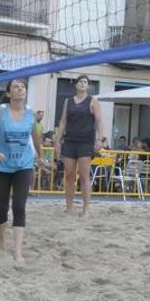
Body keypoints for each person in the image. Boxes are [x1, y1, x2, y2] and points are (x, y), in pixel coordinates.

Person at [0, 78, 44, 262]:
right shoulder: (0, 111)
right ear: (9, 93)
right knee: (2, 208)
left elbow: (35, 138)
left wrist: (41, 158)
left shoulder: (31, 114)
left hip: (24, 165)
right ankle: (2, 239)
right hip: (2, 166)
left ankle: (18, 251)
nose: (20, 89)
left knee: (19, 206)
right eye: (16, 87)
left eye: (23, 87)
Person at [55, 75, 104, 216]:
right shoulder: (68, 101)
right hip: (70, 141)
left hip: (85, 142)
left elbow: (99, 121)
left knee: (83, 175)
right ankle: (69, 207)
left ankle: (86, 209)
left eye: (86, 82)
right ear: (76, 85)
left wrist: (101, 139)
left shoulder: (92, 101)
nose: (83, 84)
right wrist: (58, 140)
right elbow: (63, 121)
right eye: (80, 82)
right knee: (69, 175)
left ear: (88, 86)